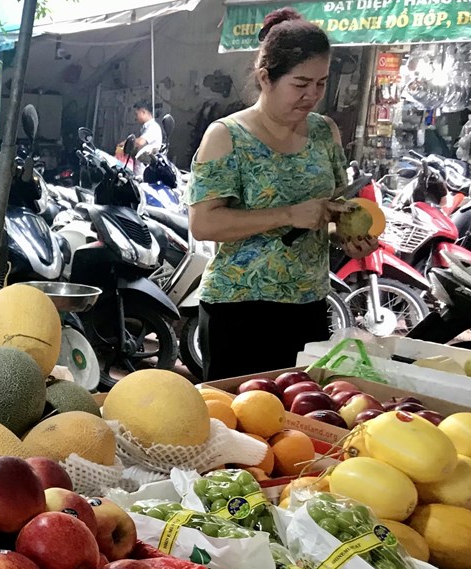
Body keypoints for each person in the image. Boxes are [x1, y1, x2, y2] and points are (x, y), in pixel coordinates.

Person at [186, 7, 377, 380]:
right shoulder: (226, 136)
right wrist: (288, 214)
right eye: (300, 83)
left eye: (321, 83)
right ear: (266, 78)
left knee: (300, 424)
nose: (312, 95)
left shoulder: (326, 133)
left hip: (308, 305)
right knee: (243, 425)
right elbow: (204, 223)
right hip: (239, 310)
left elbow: (330, 213)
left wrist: (347, 238)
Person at [131, 101, 163, 176]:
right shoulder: (145, 127)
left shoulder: (153, 127)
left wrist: (127, 143)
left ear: (143, 112)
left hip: (146, 172)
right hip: (141, 169)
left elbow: (140, 142)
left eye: (137, 114)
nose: (136, 117)